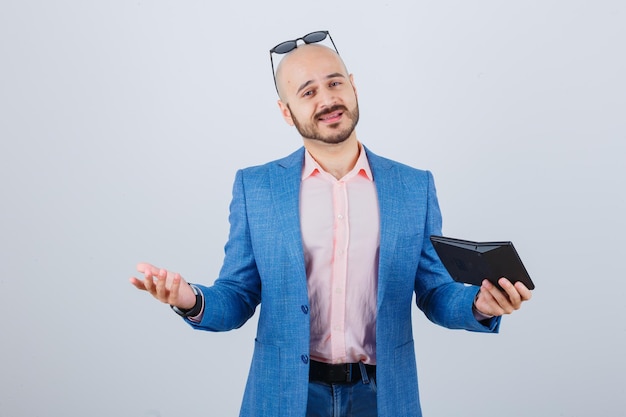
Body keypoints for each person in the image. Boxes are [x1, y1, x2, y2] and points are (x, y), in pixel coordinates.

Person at [129, 30, 532, 417]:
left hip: (384, 398)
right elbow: (237, 296)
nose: (327, 99)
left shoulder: (414, 187)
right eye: (307, 92)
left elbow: (434, 292)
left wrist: (479, 306)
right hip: (286, 397)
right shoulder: (256, 188)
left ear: (353, 87)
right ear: (286, 112)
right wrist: (190, 299)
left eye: (335, 83)